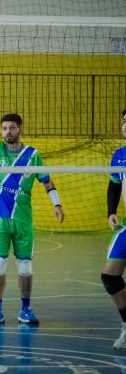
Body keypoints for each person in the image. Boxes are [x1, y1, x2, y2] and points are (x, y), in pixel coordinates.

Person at [0, 104, 65, 326]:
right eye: (4, 128)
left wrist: (57, 204)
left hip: (23, 220)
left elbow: (47, 181)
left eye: (12, 128)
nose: (7, 132)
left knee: (25, 267)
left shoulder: (32, 155)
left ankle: (25, 309)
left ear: (20, 129)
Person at [101, 109, 126, 348]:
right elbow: (114, 186)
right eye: (125, 121)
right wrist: (111, 212)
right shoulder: (119, 155)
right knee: (109, 275)